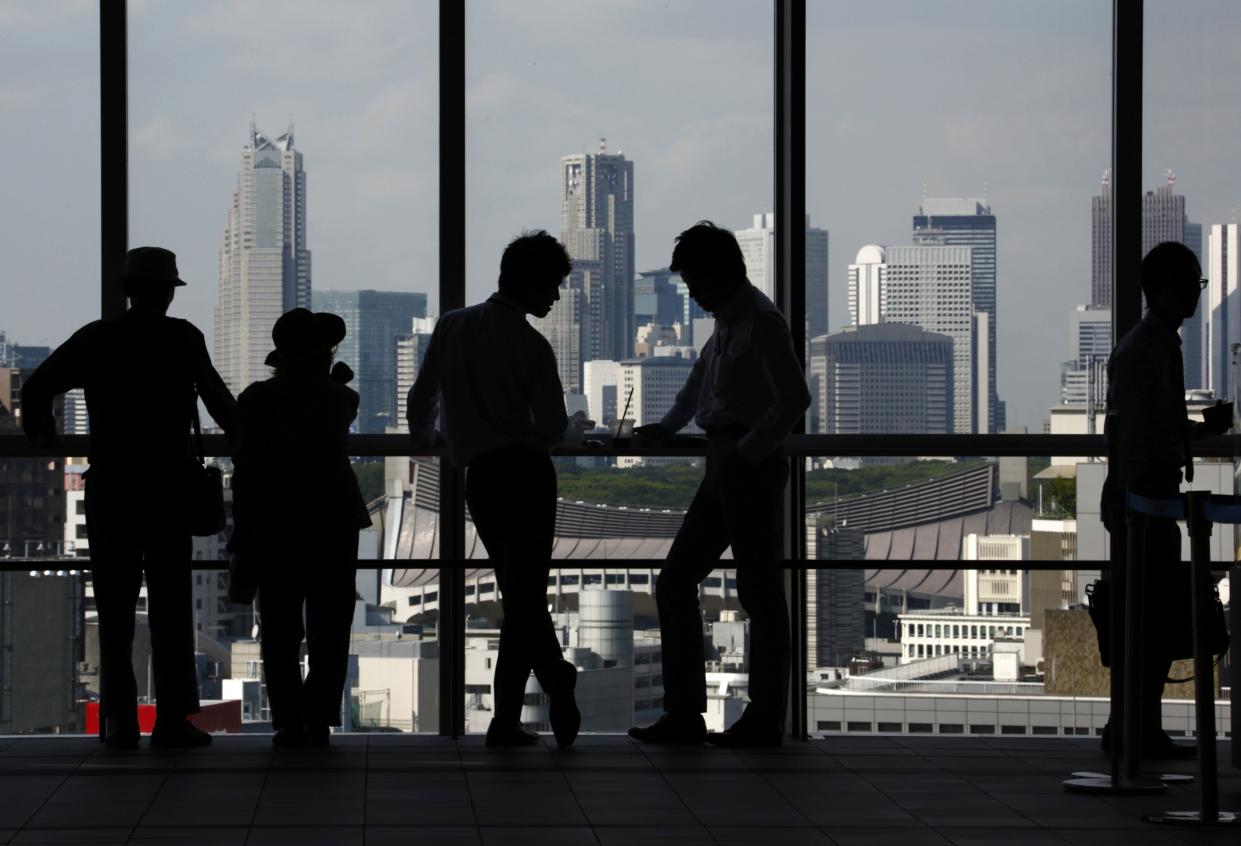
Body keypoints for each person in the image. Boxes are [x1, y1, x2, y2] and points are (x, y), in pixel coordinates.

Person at [21, 246, 236, 749]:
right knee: (171, 607)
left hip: (112, 486)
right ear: (167, 291)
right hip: (168, 486)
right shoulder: (182, 338)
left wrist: (43, 435)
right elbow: (220, 403)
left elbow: (38, 388)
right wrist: (256, 444)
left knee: (116, 609)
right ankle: (174, 720)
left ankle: (118, 721)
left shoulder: (99, 339)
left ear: (126, 289)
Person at [628, 221, 810, 748]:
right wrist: (664, 427)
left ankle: (744, 718)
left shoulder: (760, 323)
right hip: (729, 463)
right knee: (702, 585)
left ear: (719, 273)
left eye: (694, 281)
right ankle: (715, 716)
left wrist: (746, 454)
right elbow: (697, 385)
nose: (692, 292)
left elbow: (795, 399)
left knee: (749, 592)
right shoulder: (732, 323)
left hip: (743, 465)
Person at [408, 230, 583, 748]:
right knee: (524, 591)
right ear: (526, 280)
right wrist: (567, 430)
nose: (554, 296)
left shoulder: (452, 326)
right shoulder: (532, 345)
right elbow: (551, 427)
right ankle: (552, 677)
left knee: (517, 593)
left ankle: (508, 718)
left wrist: (427, 440)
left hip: (479, 476)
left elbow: (423, 397)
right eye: (551, 285)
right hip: (528, 474)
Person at [1100, 240, 1231, 759]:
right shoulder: (1143, 352)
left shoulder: (1152, 347)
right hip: (1144, 505)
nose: (1196, 294)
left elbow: (1148, 430)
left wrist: (1193, 432)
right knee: (1145, 622)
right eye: (1190, 284)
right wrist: (1190, 438)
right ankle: (1133, 729)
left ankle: (1134, 728)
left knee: (1145, 621)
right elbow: (1141, 437)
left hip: (1146, 502)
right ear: (1161, 288)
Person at [231, 308, 371, 747]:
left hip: (274, 520)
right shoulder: (340, 398)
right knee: (331, 624)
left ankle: (290, 718)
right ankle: (319, 716)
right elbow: (336, 407)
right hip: (332, 517)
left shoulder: (255, 399)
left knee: (279, 626)